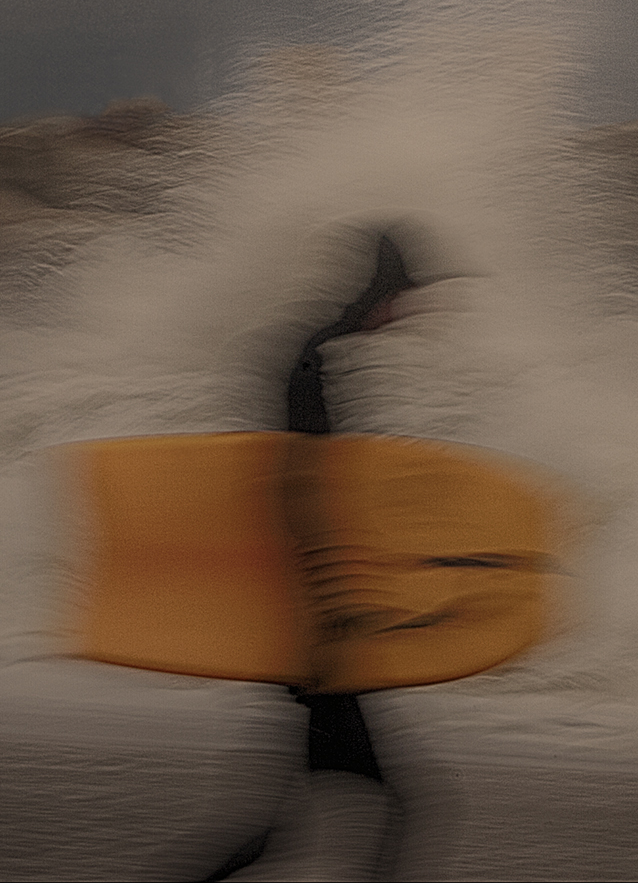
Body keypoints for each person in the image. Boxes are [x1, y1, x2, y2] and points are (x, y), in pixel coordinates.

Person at [204, 234, 417, 882]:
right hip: (318, 644)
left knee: (286, 829)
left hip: (308, 638)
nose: (406, 318)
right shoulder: (317, 364)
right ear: (383, 297)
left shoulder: (315, 352)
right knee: (402, 807)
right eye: (405, 301)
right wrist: (332, 614)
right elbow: (302, 492)